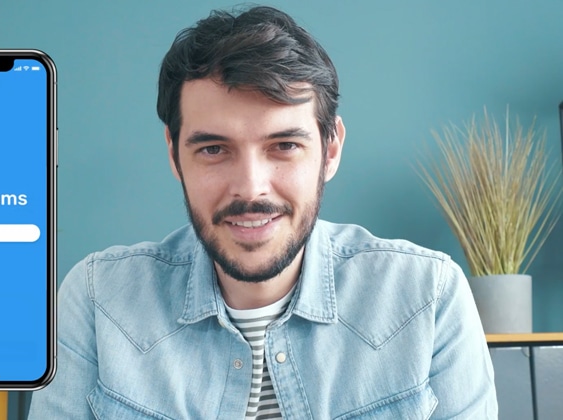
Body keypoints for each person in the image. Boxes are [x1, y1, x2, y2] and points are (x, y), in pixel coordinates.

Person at [29, 5, 497, 419]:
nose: (251, 188)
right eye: (213, 149)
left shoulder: (427, 296)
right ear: (174, 155)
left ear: (330, 150)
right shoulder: (97, 300)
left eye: (285, 145)